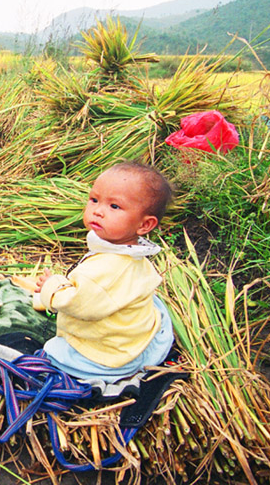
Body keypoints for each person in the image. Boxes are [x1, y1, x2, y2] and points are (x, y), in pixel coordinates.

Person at [31, 161, 175, 383]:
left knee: (52, 353)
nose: (98, 211)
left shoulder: (108, 269)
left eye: (114, 207)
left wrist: (52, 287)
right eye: (94, 200)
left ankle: (116, 370)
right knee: (155, 304)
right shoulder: (131, 252)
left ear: (144, 225)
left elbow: (78, 304)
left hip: (111, 356)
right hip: (133, 340)